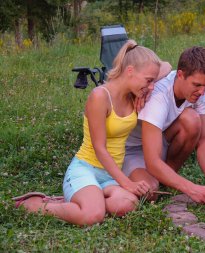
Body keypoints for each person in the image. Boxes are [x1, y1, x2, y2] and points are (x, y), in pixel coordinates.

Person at [13, 40, 169, 226]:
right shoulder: (100, 96)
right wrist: (127, 183)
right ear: (130, 71)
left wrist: (134, 51)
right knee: (92, 216)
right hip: (86, 168)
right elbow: (99, 149)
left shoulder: (133, 95)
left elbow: (166, 66)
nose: (152, 86)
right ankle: (33, 205)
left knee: (128, 204)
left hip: (110, 175)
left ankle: (84, 200)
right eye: (149, 81)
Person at [123, 46, 205, 205]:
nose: (202, 91)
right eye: (197, 85)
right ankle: (144, 178)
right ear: (180, 75)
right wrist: (191, 189)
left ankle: (166, 178)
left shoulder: (200, 90)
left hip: (158, 140)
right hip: (132, 150)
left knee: (192, 120)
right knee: (150, 192)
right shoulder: (158, 97)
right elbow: (152, 161)